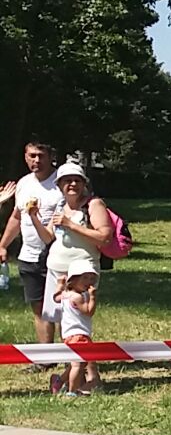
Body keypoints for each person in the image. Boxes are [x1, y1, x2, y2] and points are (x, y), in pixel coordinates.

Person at [35, 161, 112, 392]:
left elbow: (104, 237)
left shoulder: (93, 204)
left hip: (82, 274)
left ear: (84, 183)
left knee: (80, 327)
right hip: (57, 273)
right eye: (67, 180)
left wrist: (71, 224)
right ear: (59, 185)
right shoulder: (60, 206)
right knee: (67, 327)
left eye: (77, 180)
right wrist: (33, 217)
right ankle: (71, 377)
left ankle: (90, 376)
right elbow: (49, 238)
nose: (72, 184)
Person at [0, 141, 65, 359]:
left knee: (63, 307)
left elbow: (55, 230)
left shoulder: (61, 184)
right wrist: (3, 245)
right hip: (28, 255)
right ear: (25, 157)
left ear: (50, 156)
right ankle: (46, 358)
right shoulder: (24, 183)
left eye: (41, 156)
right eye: (32, 156)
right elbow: (16, 217)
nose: (36, 160)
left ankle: (70, 358)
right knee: (39, 308)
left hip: (57, 255)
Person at [51, 262, 98, 396]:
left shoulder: (66, 294)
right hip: (79, 334)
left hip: (69, 334)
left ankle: (59, 381)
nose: (89, 282)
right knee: (78, 364)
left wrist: (60, 284)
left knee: (76, 363)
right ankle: (72, 392)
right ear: (74, 279)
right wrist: (93, 298)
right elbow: (88, 311)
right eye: (85, 278)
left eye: (91, 278)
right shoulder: (78, 297)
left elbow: (56, 297)